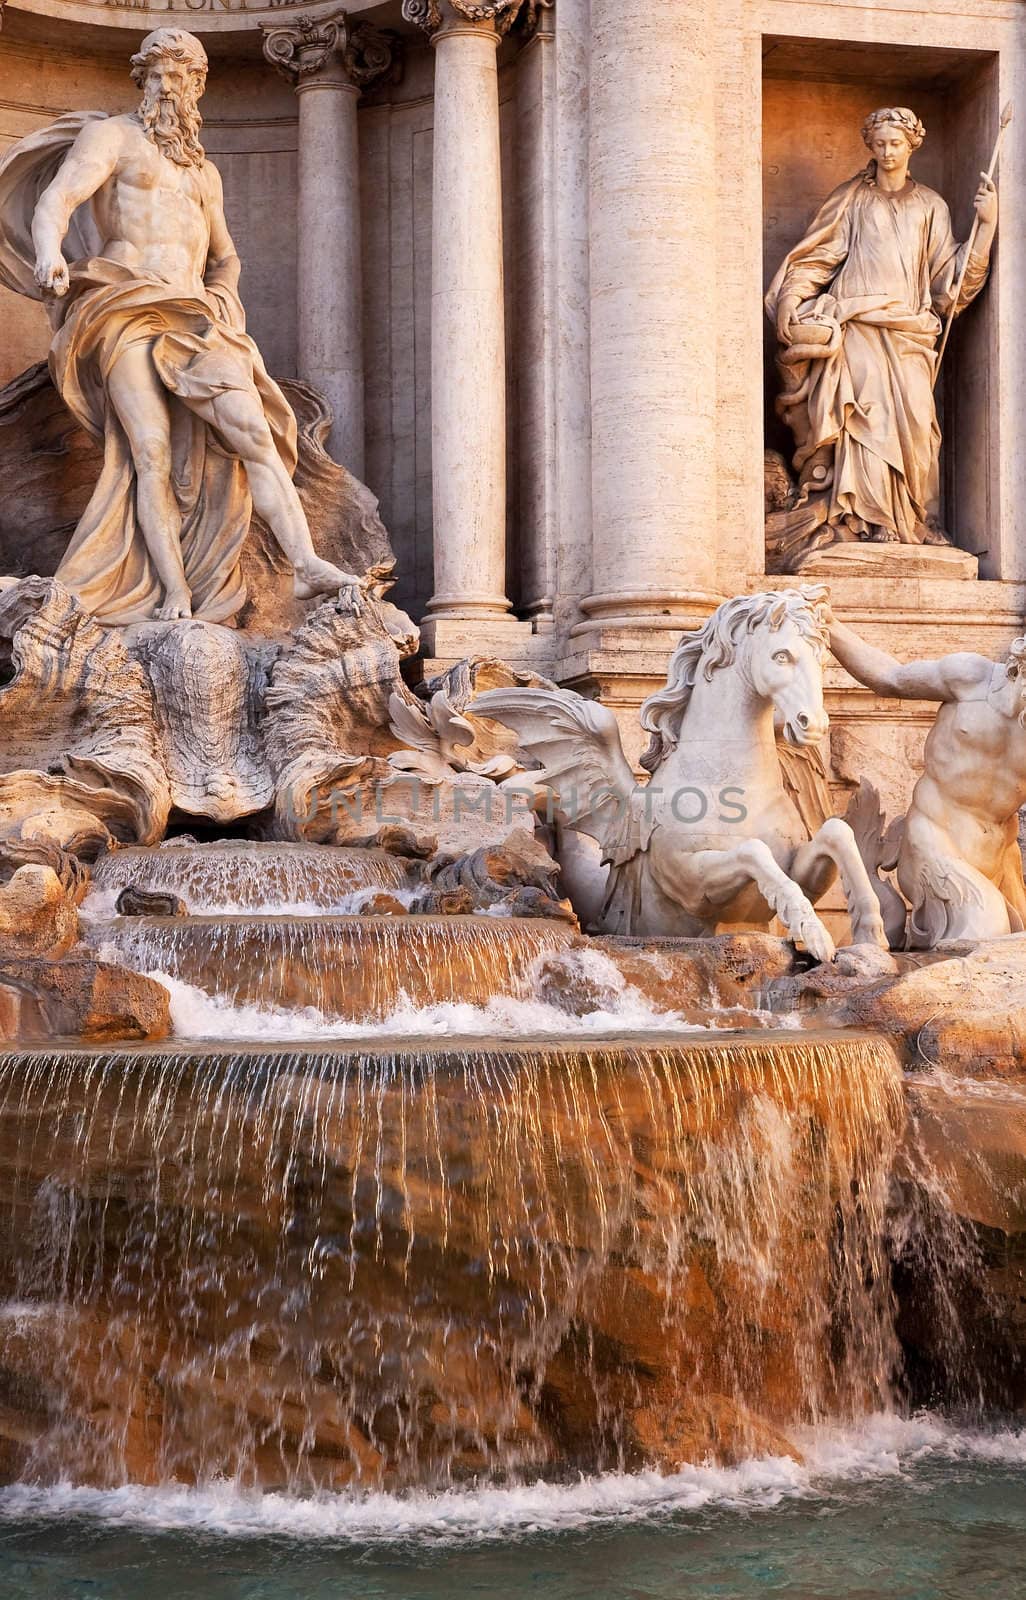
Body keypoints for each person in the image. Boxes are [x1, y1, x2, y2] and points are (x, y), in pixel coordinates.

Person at [0, 27, 359, 624]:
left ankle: (304, 565)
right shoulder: (110, 137)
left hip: (196, 319)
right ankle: (172, 593)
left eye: (182, 77)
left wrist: (222, 297)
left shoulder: (204, 173)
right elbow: (56, 202)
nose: (170, 87)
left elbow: (226, 257)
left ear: (197, 86)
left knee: (255, 435)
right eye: (159, 76)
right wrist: (49, 253)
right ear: (143, 81)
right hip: (124, 306)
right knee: (151, 452)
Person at [765, 107, 997, 548]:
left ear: (912, 145)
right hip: (858, 326)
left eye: (896, 144)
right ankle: (866, 520)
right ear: (870, 146)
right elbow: (817, 258)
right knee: (865, 420)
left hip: (909, 331)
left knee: (916, 422)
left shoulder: (931, 205)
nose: (888, 152)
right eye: (880, 144)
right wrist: (793, 297)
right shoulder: (851, 198)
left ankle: (911, 517)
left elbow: (949, 280)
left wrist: (985, 227)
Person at [826, 606, 1026, 946]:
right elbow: (889, 677)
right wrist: (828, 625)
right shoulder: (970, 678)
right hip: (933, 840)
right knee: (986, 934)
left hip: (1000, 858)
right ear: (1018, 667)